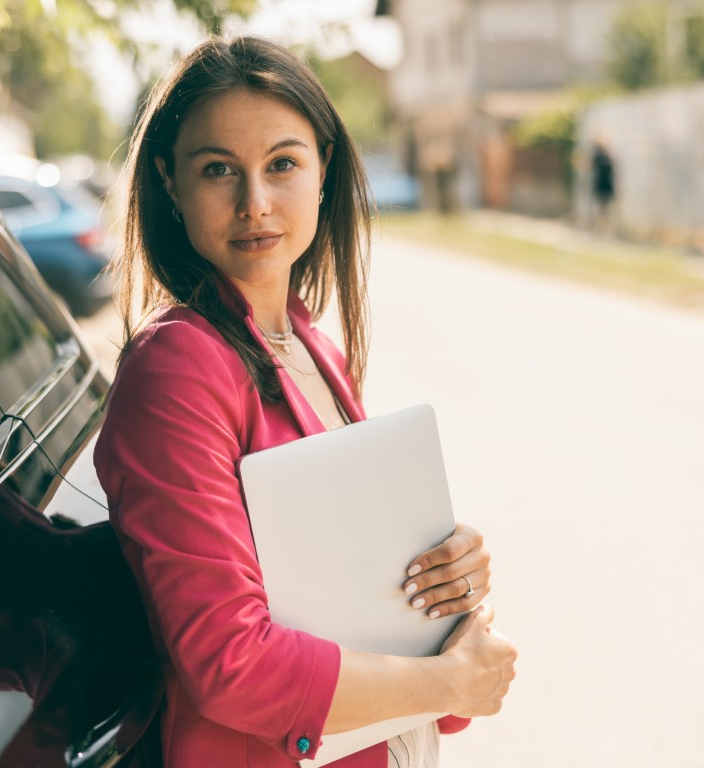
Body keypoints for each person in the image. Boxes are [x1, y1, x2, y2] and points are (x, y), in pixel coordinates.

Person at [94, 35, 517, 768]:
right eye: (217, 169)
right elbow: (229, 663)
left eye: (281, 164)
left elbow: (339, 575)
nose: (253, 203)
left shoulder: (306, 342)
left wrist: (439, 576)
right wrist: (445, 681)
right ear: (169, 183)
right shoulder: (178, 367)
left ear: (322, 173)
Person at [590, 138, 616, 233]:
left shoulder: (608, 157)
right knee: (601, 207)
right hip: (601, 185)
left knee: (605, 208)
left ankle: (606, 227)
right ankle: (601, 227)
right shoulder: (598, 156)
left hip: (606, 185)